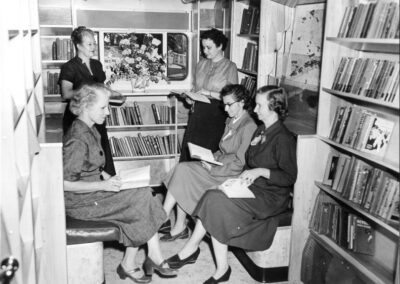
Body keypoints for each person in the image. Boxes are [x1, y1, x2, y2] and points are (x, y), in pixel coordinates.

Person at [166, 86, 298, 284]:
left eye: (260, 106)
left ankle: (192, 251)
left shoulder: (283, 138)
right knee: (212, 196)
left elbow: (289, 177)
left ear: (274, 108)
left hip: (270, 196)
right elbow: (248, 161)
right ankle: (221, 267)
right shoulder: (262, 129)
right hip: (252, 186)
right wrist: (245, 175)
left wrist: (260, 171)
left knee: (218, 202)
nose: (254, 110)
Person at [63, 83, 177, 283]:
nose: (108, 112)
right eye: (103, 107)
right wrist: (103, 185)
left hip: (92, 193)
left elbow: (93, 167)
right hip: (80, 202)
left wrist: (110, 179)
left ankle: (130, 262)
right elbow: (64, 183)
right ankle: (152, 256)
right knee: (141, 198)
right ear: (86, 107)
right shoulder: (77, 138)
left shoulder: (89, 128)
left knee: (142, 190)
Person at [160, 84, 257, 241]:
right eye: (224, 104)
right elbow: (223, 149)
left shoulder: (248, 126)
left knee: (183, 171)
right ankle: (173, 222)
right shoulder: (231, 120)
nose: (225, 109)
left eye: (229, 104)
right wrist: (209, 157)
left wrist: (213, 169)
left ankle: (166, 219)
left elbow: (240, 163)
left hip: (229, 174)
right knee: (182, 170)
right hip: (219, 165)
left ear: (242, 102)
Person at [59, 26, 116, 175]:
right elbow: (66, 93)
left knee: (101, 150)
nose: (94, 47)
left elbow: (101, 88)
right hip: (78, 116)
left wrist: (115, 94)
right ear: (78, 46)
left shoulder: (97, 65)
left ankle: (107, 184)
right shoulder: (69, 67)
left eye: (94, 43)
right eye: (89, 44)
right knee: (82, 156)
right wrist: (89, 91)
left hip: (96, 114)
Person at [179, 28, 238, 162]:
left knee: (206, 156)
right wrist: (189, 98)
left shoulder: (230, 67)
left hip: (216, 116)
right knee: (190, 153)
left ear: (220, 46)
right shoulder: (201, 64)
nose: (204, 51)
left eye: (208, 47)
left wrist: (209, 93)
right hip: (197, 114)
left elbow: (233, 98)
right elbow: (195, 88)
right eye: (203, 47)